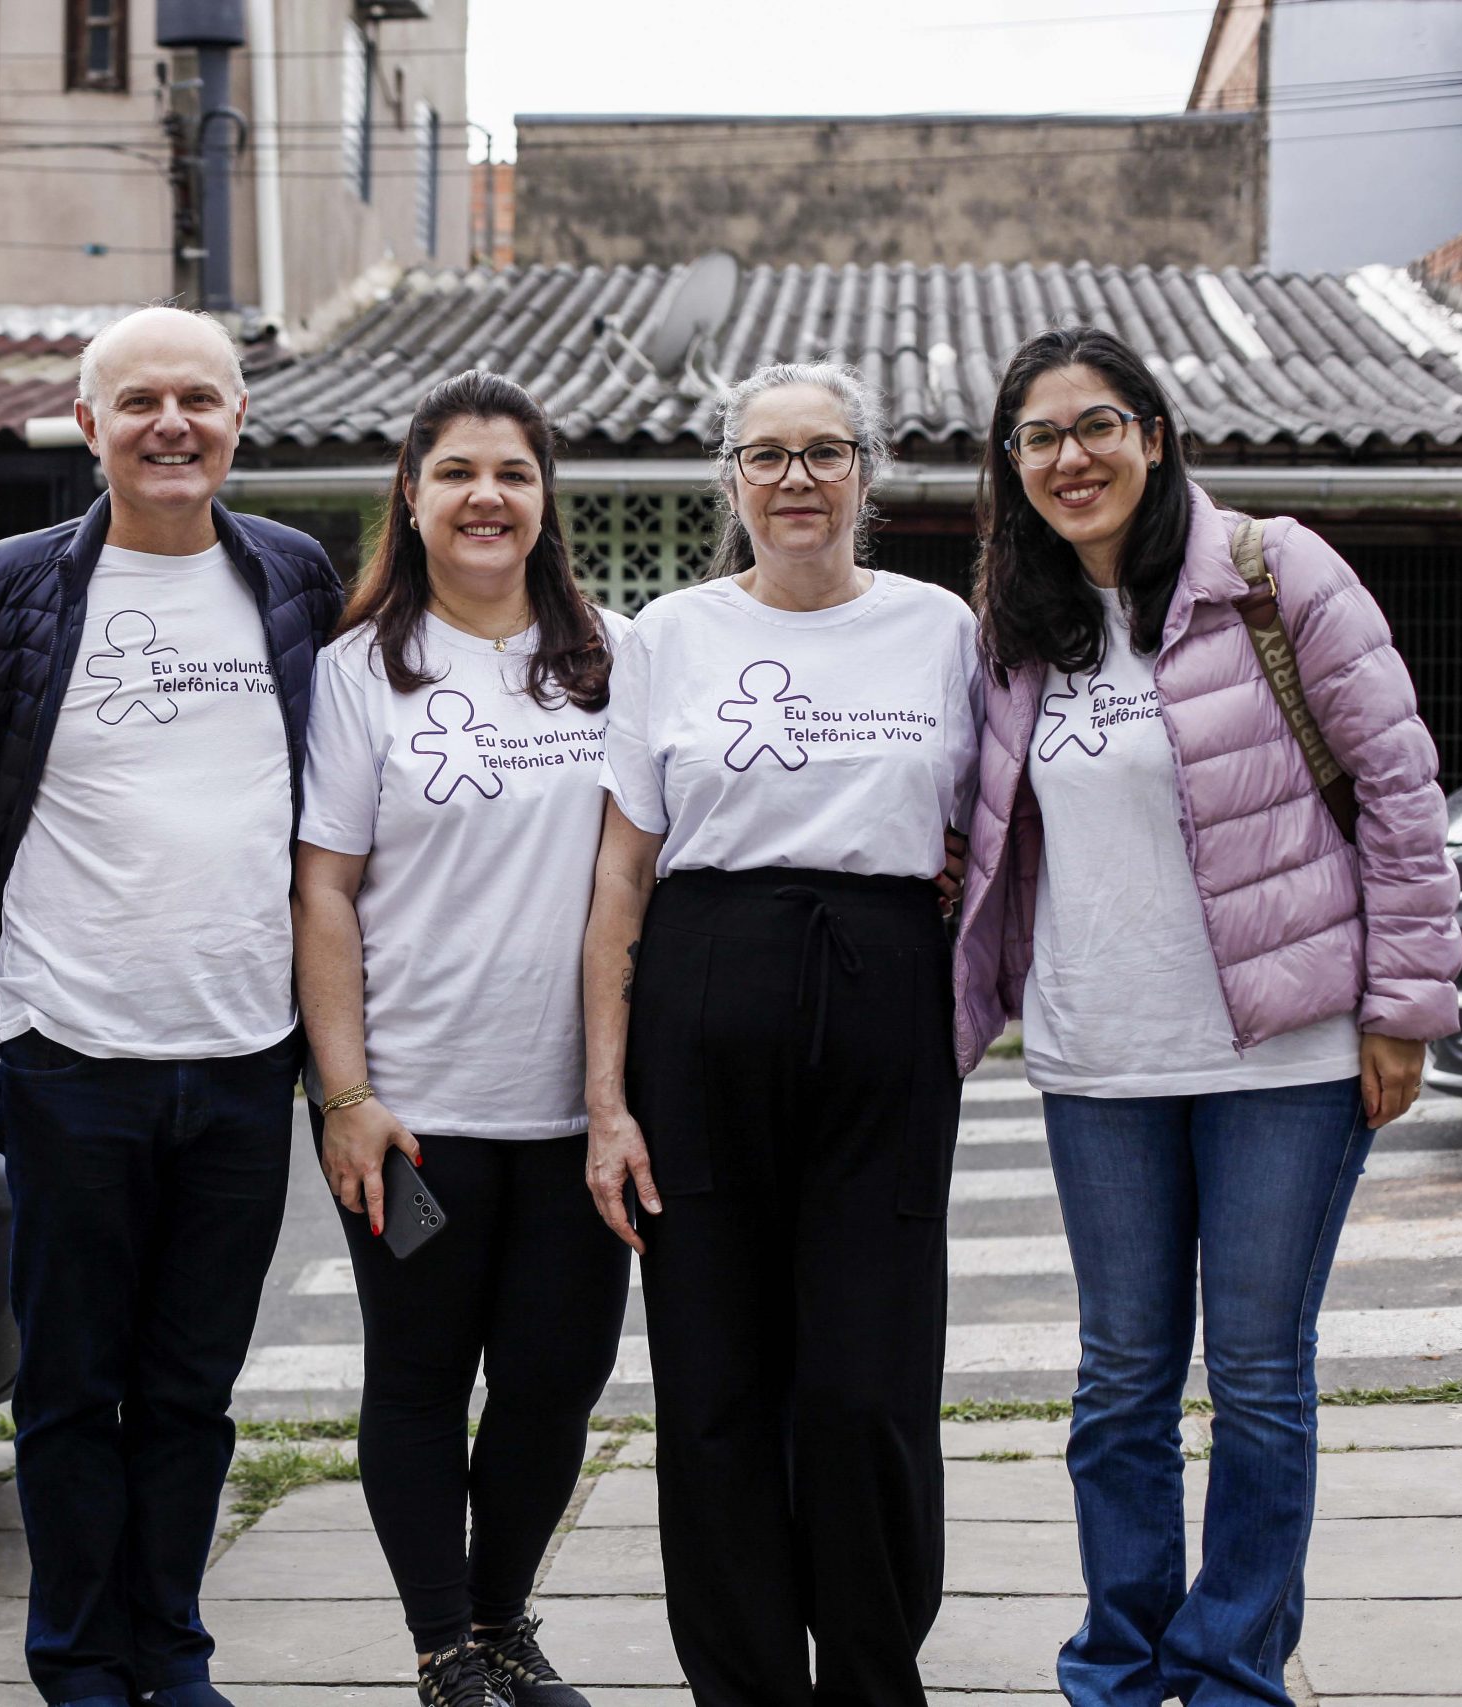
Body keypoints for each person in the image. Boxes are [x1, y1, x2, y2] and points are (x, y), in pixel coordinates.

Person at [952, 325, 1459, 1705]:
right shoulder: (1011, 630)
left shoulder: (1273, 572)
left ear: (1156, 436)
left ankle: (1232, 1667)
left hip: (1285, 1052)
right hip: (1095, 1058)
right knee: (1120, 1383)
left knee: (1254, 1373)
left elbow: (1401, 790)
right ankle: (1119, 1661)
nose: (1073, 457)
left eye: (1099, 424)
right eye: (1041, 437)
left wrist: (1401, 1007)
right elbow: (974, 832)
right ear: (1014, 466)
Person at [0, 304, 343, 1707]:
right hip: (69, 1048)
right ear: (89, 426)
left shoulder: (292, 579)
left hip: (239, 1053)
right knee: (73, 1390)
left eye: (199, 400)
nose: (172, 425)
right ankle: (80, 1660)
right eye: (139, 401)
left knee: (194, 1390)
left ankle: (175, 1644)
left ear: (236, 421)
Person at [581, 361, 980, 1707]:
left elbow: (999, 823)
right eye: (767, 455)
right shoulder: (668, 638)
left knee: (866, 1388)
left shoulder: (942, 629)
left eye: (824, 451)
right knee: (713, 1385)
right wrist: (605, 1098)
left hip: (883, 1007)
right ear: (731, 480)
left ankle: (873, 1676)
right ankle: (746, 1686)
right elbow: (623, 874)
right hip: (700, 1003)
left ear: (869, 471)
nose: (796, 478)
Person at [293, 370, 629, 1707]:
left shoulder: (617, 659)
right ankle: (444, 1648)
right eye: (458, 474)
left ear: (545, 502)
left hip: (574, 1123)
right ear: (415, 499)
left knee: (555, 1385)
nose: (487, 496)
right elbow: (323, 888)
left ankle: (500, 1627)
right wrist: (346, 1095)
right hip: (417, 1126)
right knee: (423, 1376)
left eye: (515, 473)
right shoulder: (356, 672)